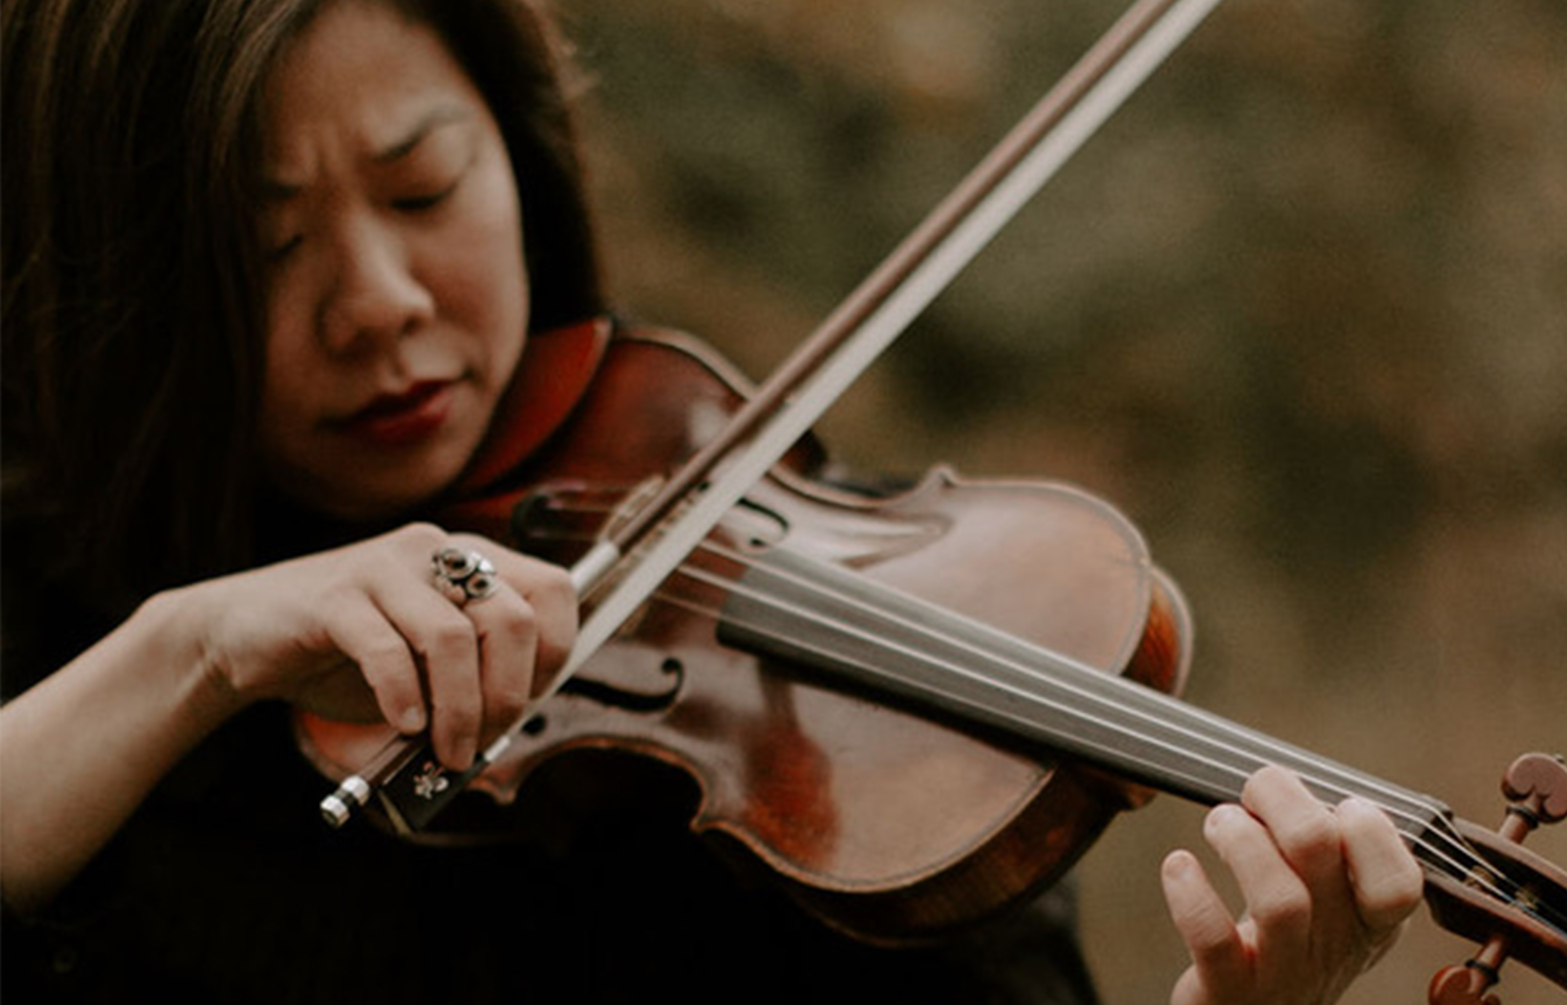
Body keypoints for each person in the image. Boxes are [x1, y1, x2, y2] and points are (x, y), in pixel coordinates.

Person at [0, 0, 1423, 1002]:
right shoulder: (50, 598)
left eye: (424, 188)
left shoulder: (835, 657)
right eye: (269, 248)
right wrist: (188, 651)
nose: (378, 303)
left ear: (520, 153)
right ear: (126, 280)